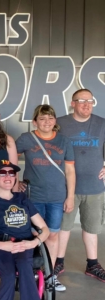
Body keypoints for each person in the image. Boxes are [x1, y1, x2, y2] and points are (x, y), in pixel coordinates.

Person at [15, 104, 75, 291]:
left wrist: (70, 196)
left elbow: (70, 170)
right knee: (33, 234)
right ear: (35, 121)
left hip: (57, 197)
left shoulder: (64, 141)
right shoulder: (26, 138)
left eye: (50, 118)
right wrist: (16, 181)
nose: (46, 122)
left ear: (55, 121)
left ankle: (50, 276)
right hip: (33, 197)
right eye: (42, 118)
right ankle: (31, 273)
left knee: (53, 235)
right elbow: (9, 160)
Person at [0, 160, 49, 300]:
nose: (8, 177)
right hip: (1, 245)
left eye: (11, 173)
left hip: (25, 244)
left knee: (25, 267)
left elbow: (44, 229)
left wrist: (33, 243)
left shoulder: (22, 199)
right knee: (8, 274)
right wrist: (3, 246)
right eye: (2, 173)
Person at [54, 88, 105, 282]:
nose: (86, 104)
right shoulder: (60, 123)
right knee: (63, 226)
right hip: (67, 187)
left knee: (91, 227)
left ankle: (92, 264)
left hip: (95, 187)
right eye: (81, 101)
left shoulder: (101, 123)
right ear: (72, 103)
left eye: (90, 101)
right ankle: (58, 261)